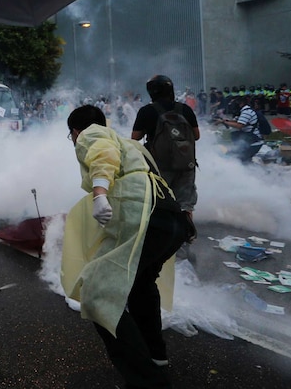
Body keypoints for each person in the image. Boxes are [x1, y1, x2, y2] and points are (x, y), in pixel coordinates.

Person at [61, 105, 187, 389]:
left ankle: (147, 381)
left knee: (96, 294)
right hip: (170, 220)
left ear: (75, 131)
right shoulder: (131, 145)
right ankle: (156, 357)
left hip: (145, 219)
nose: (73, 141)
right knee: (141, 285)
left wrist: (100, 194)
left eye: (70, 135)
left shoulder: (93, 133)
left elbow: (101, 155)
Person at [131, 75, 200, 214]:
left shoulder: (146, 111)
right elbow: (196, 136)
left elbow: (135, 138)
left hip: (159, 165)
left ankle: (165, 232)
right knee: (185, 205)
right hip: (185, 163)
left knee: (159, 202)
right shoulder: (184, 109)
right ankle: (188, 233)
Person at [216, 95, 264, 163]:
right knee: (239, 157)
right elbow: (235, 121)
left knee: (241, 160)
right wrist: (223, 121)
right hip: (249, 140)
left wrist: (226, 123)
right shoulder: (243, 111)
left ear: (241, 103)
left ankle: (251, 171)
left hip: (254, 142)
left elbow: (239, 125)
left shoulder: (246, 112)